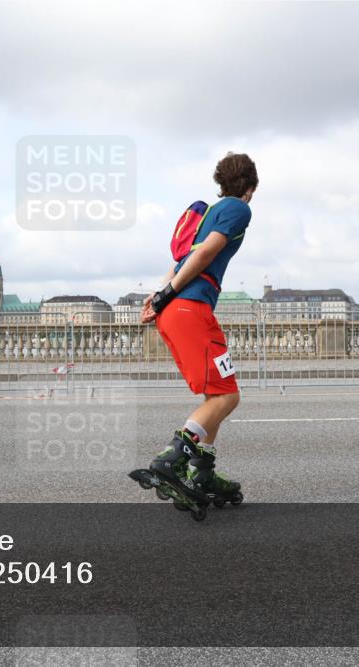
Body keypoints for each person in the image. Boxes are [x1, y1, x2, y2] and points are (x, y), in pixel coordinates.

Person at [140, 152, 258, 498]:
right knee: (228, 397)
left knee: (214, 397)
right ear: (251, 186)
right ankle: (172, 458)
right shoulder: (238, 208)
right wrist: (166, 296)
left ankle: (203, 473)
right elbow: (205, 254)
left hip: (176, 313)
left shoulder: (205, 213)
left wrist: (160, 296)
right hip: (191, 311)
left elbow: (180, 261)